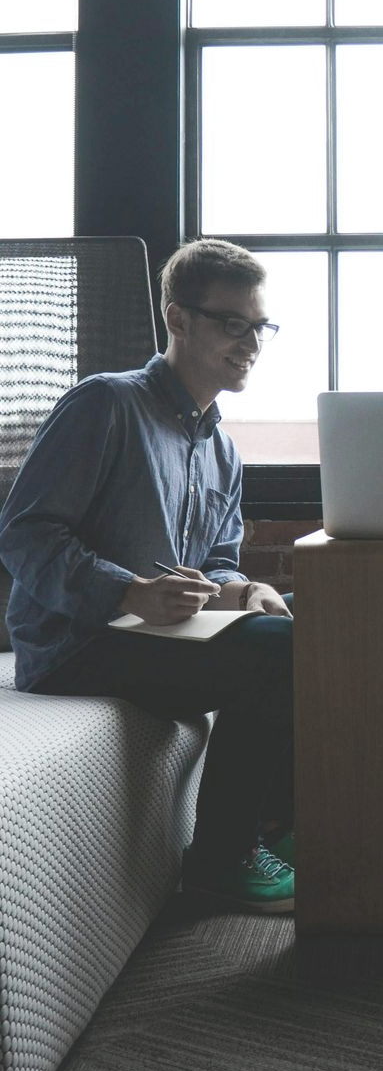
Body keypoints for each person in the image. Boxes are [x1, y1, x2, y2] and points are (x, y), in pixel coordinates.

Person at [0, 237, 296, 914]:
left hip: (162, 637)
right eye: (233, 324)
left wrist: (242, 589)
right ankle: (223, 862)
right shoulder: (105, 404)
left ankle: (279, 824)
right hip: (78, 645)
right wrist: (129, 592)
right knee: (281, 653)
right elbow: (23, 532)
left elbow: (217, 560)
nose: (250, 342)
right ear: (179, 318)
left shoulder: (221, 449)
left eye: (260, 327)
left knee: (305, 621)